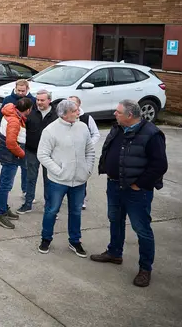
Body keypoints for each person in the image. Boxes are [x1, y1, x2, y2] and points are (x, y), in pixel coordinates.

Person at [91, 100, 168, 288]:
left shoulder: (151, 134)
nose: (115, 114)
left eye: (118, 112)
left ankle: (145, 268)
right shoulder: (117, 128)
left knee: (141, 228)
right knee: (115, 220)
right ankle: (115, 253)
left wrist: (138, 184)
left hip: (136, 192)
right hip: (114, 185)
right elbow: (109, 150)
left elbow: (159, 165)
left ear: (130, 115)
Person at [36, 100, 95, 257]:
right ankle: (46, 239)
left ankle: (75, 241)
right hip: (58, 181)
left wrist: (87, 169)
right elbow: (42, 155)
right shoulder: (50, 131)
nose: (78, 112)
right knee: (52, 210)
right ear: (65, 114)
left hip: (79, 180)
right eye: (75, 110)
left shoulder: (82, 127)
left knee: (76, 211)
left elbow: (90, 150)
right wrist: (58, 171)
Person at [0, 98, 33, 229]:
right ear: (28, 110)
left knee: (5, 184)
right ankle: (0, 213)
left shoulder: (9, 112)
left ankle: (4, 207)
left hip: (6, 155)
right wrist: (22, 154)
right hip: (10, 157)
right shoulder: (15, 121)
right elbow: (11, 143)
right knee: (5, 185)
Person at [16, 89, 58, 214]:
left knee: (49, 180)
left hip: (50, 154)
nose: (39, 102)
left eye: (42, 100)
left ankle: (49, 207)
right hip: (32, 151)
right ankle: (28, 204)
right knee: (30, 178)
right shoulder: (30, 113)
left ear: (49, 100)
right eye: (37, 100)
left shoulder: (56, 115)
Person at [68, 95, 101, 210]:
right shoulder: (64, 117)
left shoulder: (87, 118)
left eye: (73, 103)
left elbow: (96, 134)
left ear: (79, 105)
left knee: (81, 175)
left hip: (83, 153)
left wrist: (88, 145)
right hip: (68, 152)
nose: (71, 105)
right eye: (68, 103)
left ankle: (81, 198)